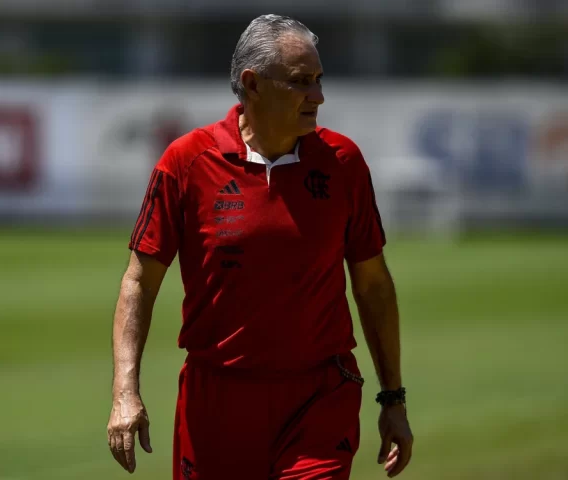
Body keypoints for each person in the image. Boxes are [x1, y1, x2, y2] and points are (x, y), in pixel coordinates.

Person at [107, 14, 413, 480]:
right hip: (216, 404)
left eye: (319, 80)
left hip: (320, 397)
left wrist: (393, 397)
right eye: (300, 82)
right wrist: (125, 390)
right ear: (252, 84)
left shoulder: (343, 163)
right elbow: (139, 281)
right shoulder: (186, 162)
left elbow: (373, 285)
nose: (318, 95)